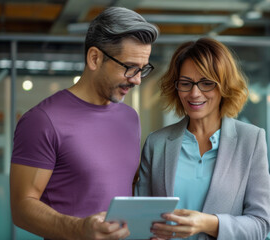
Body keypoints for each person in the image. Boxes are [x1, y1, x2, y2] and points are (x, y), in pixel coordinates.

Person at [9, 7, 159, 240]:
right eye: (129, 68)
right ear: (95, 58)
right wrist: (79, 229)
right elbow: (21, 209)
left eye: (142, 69)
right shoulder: (42, 121)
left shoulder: (130, 118)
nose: (137, 80)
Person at [135, 38, 270, 240]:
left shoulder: (251, 140)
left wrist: (207, 223)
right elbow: (140, 219)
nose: (194, 93)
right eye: (186, 83)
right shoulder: (157, 143)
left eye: (206, 83)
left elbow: (260, 225)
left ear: (224, 86)